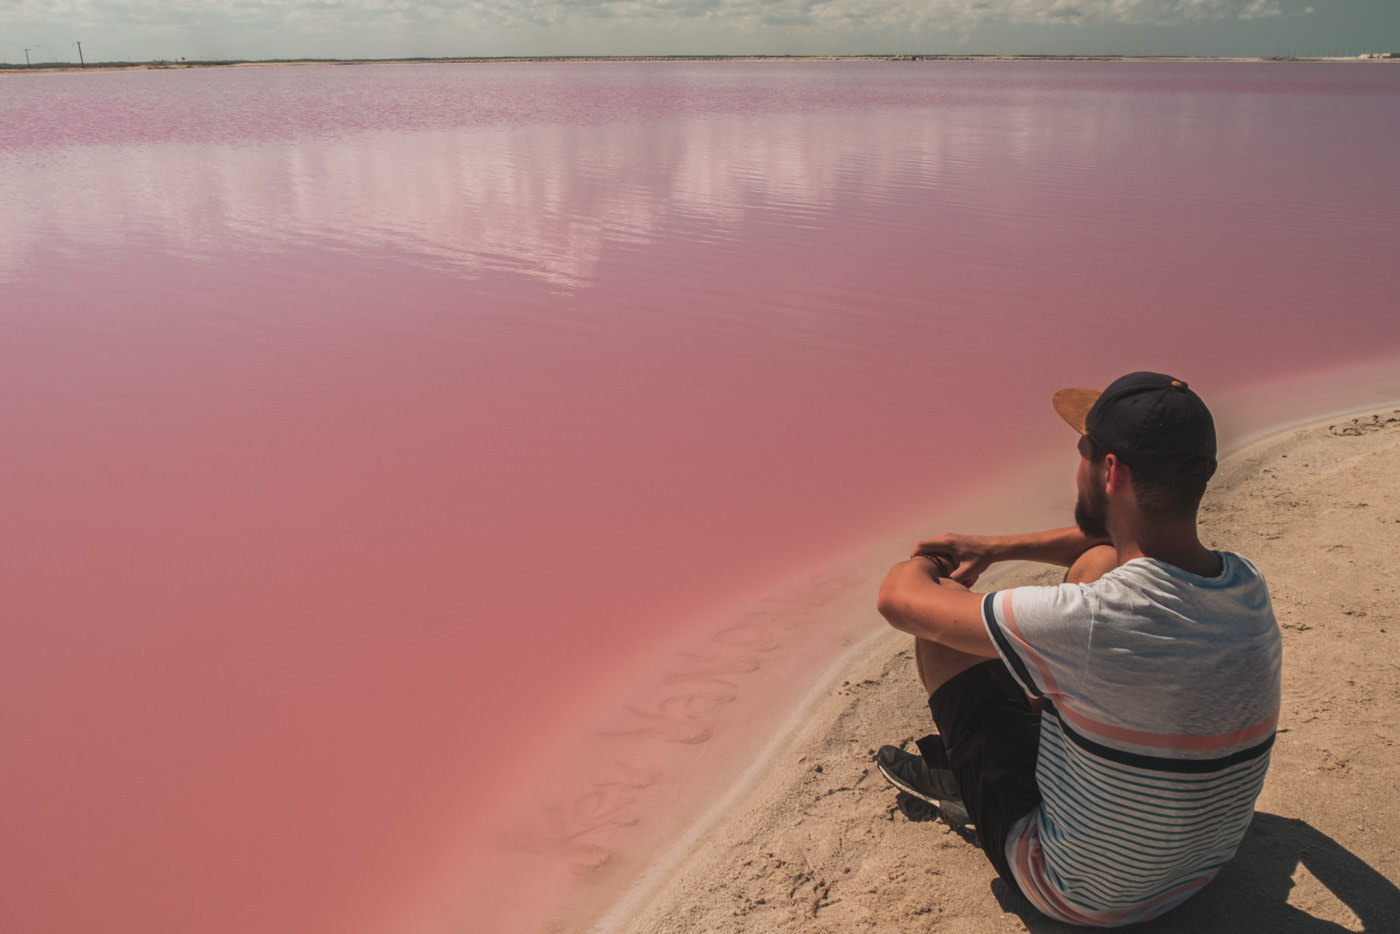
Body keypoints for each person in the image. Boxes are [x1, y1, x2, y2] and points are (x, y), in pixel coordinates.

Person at [874, 372, 1281, 926]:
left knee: (942, 633)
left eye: (1082, 452)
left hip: (1081, 895)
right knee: (1096, 565)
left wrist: (934, 565)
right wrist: (992, 548)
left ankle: (969, 784)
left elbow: (898, 600)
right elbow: (1105, 543)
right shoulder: (1246, 584)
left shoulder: (1092, 621)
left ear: (1109, 471)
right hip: (1199, 868)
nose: (1077, 464)